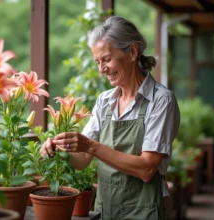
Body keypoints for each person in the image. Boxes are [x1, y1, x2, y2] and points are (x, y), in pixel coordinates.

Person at [41, 16, 180, 220]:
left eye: (106, 59)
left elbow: (147, 168)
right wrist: (58, 150)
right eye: (98, 62)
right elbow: (82, 161)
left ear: (132, 52)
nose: (101, 69)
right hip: (104, 210)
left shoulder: (161, 101)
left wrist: (91, 146)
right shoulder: (105, 100)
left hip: (145, 211)